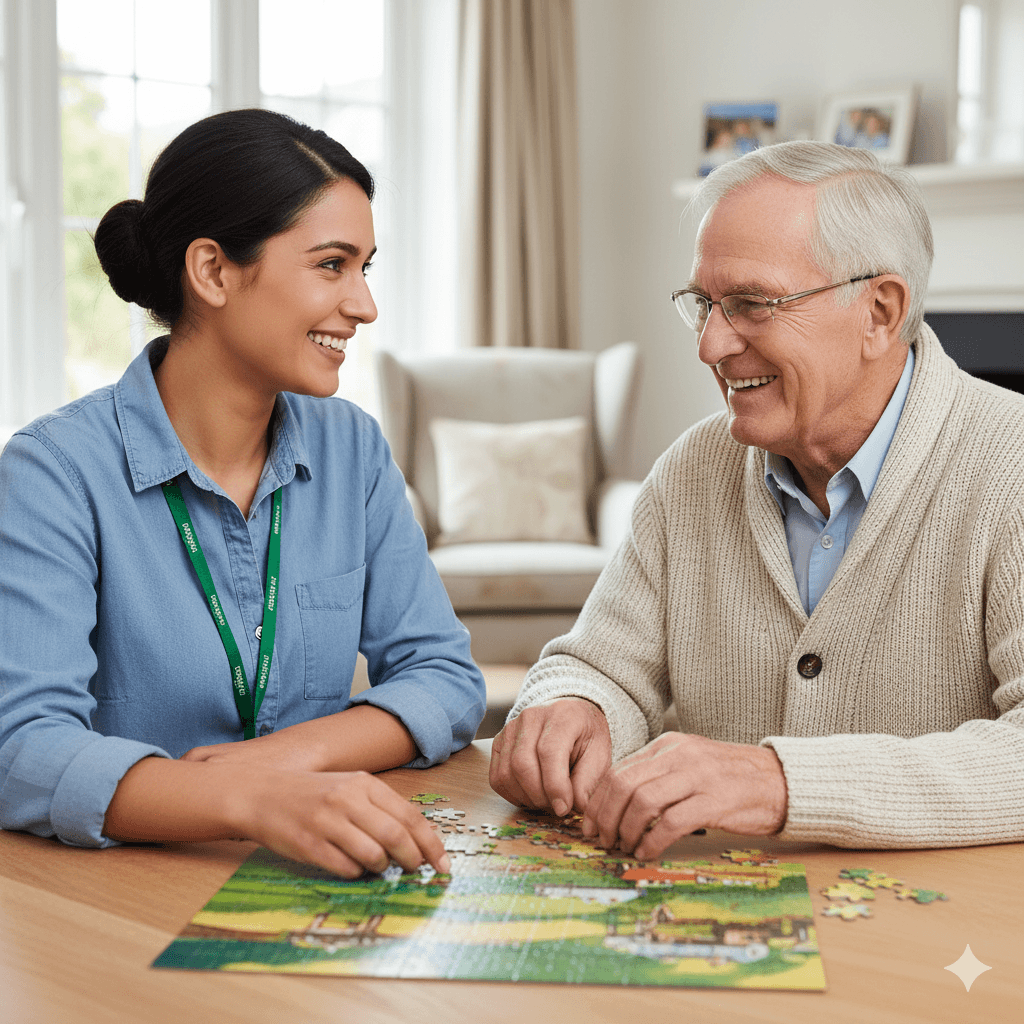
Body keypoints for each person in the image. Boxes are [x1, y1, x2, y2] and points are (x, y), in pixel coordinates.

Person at [490, 140, 1024, 857]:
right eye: (703, 305)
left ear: (880, 311)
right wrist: (573, 709)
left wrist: (777, 780)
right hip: (720, 924)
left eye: (750, 304)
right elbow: (601, 666)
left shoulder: (1010, 463)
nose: (711, 345)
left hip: (949, 945)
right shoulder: (693, 468)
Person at [0, 108, 486, 878]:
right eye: (332, 265)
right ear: (213, 272)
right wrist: (248, 800)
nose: (364, 305)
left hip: (313, 873)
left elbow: (444, 678)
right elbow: (23, 747)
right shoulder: (53, 473)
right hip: (117, 898)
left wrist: (281, 762)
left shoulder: (351, 447)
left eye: (367, 267)